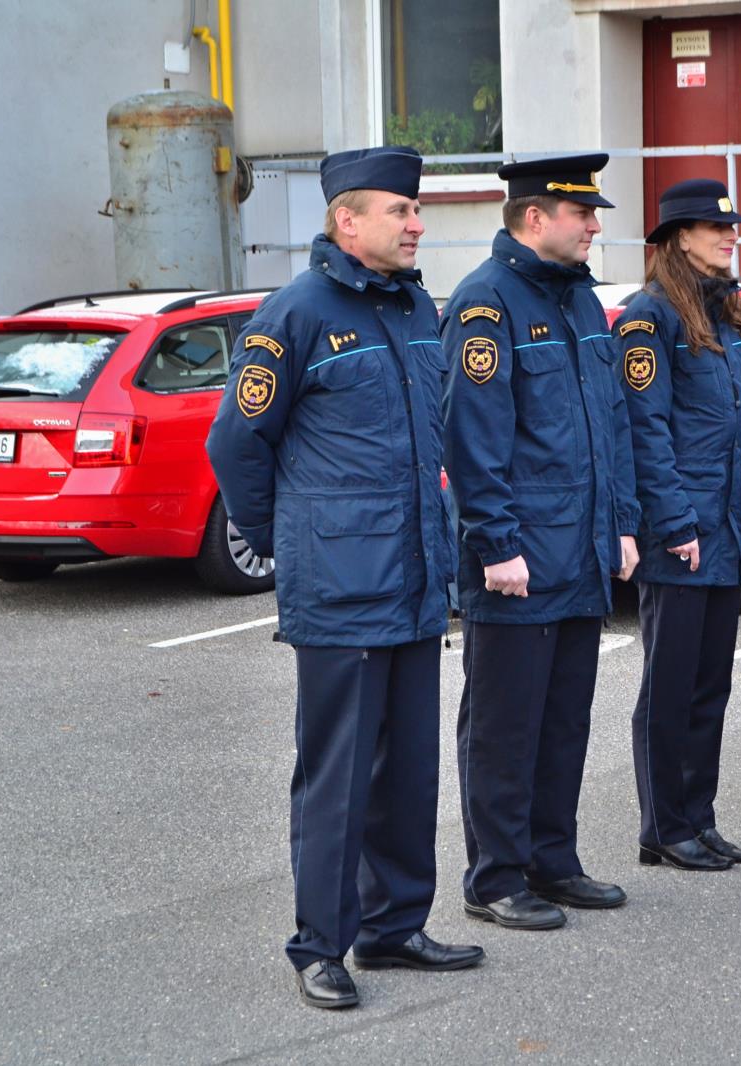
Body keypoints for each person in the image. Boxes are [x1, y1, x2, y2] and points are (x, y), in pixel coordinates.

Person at [206, 145, 483, 1011]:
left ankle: (394, 927)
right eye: (399, 210)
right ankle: (319, 945)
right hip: (340, 587)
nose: (416, 223)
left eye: (416, 209)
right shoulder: (294, 316)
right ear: (346, 221)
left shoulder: (411, 308)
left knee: (408, 773)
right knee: (337, 776)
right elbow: (236, 444)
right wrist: (288, 540)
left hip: (412, 580)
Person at [442, 153, 641, 928]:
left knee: (564, 722)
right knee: (504, 727)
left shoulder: (582, 305)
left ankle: (554, 861)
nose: (595, 225)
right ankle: (496, 878)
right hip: (520, 559)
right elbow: (475, 439)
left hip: (581, 550)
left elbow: (612, 426)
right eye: (581, 213)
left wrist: (623, 523)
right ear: (534, 218)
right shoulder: (486, 306)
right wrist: (495, 545)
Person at [617, 179, 741, 870]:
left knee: (710, 683)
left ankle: (699, 816)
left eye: (731, 226)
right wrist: (673, 520)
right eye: (714, 228)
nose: (730, 236)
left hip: (726, 525)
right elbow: (646, 429)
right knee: (670, 684)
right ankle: (663, 826)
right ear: (676, 239)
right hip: (683, 530)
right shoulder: (648, 317)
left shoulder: (724, 316)